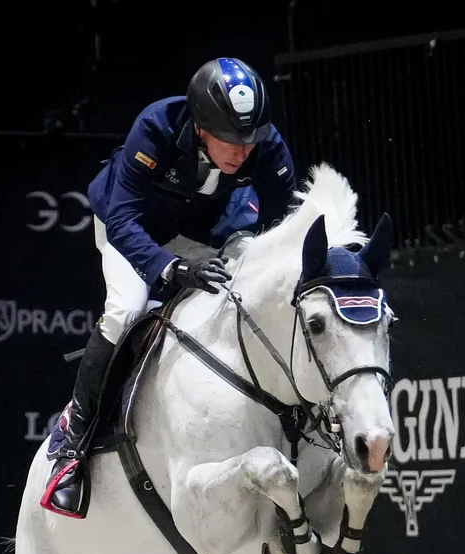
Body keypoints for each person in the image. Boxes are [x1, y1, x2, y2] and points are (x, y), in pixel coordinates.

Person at [41, 56, 296, 518]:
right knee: (127, 309)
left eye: (250, 139)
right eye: (230, 139)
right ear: (200, 126)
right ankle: (72, 441)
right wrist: (169, 269)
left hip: (198, 234)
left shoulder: (264, 145)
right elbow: (123, 221)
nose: (242, 151)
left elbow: (284, 220)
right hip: (130, 227)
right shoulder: (155, 128)